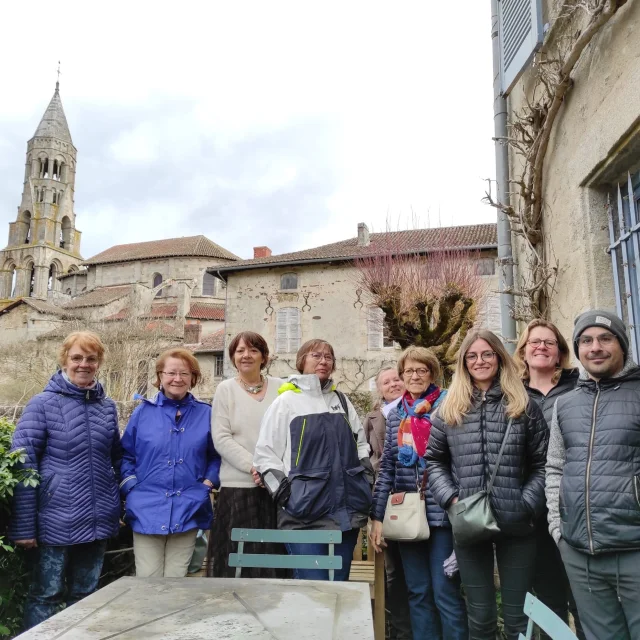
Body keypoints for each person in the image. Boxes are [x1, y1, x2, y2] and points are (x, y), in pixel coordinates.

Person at [427, 329, 548, 640]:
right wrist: (452, 500)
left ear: (498, 357)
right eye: (472, 356)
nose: (479, 361)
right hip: (469, 522)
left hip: (517, 525)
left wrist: (526, 504)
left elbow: (543, 463)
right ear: (464, 362)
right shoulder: (449, 408)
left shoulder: (523, 405)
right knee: (480, 618)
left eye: (487, 354)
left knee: (518, 617)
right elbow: (435, 461)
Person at [9, 331, 122, 629]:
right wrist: (23, 527)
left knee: (86, 595)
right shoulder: (41, 404)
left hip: (97, 522)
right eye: (77, 357)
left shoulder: (107, 408)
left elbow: (116, 460)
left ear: (99, 363)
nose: (83, 364)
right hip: (53, 522)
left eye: (91, 358)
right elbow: (23, 464)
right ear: (64, 360)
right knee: (46, 594)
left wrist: (119, 506)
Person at [546, 310, 640, 640]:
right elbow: (555, 467)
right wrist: (558, 528)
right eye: (586, 340)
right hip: (581, 552)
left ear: (622, 345)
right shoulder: (566, 404)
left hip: (634, 550)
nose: (595, 347)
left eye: (605, 338)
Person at [253, 339, 373, 581]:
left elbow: (361, 443)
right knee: (311, 588)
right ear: (302, 361)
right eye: (316, 355)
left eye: (328, 357)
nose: (323, 361)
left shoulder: (341, 400)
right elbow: (266, 456)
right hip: (303, 515)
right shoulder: (286, 402)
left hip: (345, 514)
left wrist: (366, 478)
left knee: (338, 588)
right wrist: (288, 496)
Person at [370, 347, 468, 640]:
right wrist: (377, 516)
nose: (414, 376)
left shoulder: (449, 405)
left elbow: (460, 459)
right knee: (418, 592)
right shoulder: (397, 412)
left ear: (432, 373)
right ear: (402, 375)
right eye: (409, 371)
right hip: (407, 514)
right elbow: (387, 466)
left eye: (421, 370)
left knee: (445, 592)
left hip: (441, 514)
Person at [120, 348, 220, 578]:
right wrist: (132, 488)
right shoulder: (142, 413)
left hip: (189, 506)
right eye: (171, 373)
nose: (177, 379)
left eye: (184, 373)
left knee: (177, 581)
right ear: (160, 376)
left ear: (193, 378)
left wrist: (207, 484)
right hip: (146, 508)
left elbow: (217, 455)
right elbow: (125, 455)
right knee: (148, 579)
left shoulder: (207, 414)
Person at [514, 319, 584, 639]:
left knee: (584, 596)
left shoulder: (578, 388)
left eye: (549, 342)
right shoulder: (511, 394)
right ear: (523, 352)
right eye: (534, 342)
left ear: (560, 354)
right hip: (530, 510)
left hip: (572, 504)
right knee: (547, 594)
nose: (541, 346)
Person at [208, 331, 284, 578]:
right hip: (238, 488)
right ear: (232, 357)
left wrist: (273, 470)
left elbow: (288, 435)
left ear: (264, 356)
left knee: (272, 561)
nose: (246, 355)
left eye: (253, 350)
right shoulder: (225, 390)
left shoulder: (282, 388)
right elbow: (221, 437)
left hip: (275, 489)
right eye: (240, 351)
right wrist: (256, 467)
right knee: (236, 565)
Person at [363, 366, 412, 640]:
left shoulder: (420, 409)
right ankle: (401, 632)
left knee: (419, 571)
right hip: (386, 501)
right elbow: (368, 456)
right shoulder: (372, 418)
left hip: (415, 498)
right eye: (386, 382)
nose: (393, 383)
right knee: (392, 571)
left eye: (397, 378)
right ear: (380, 389)